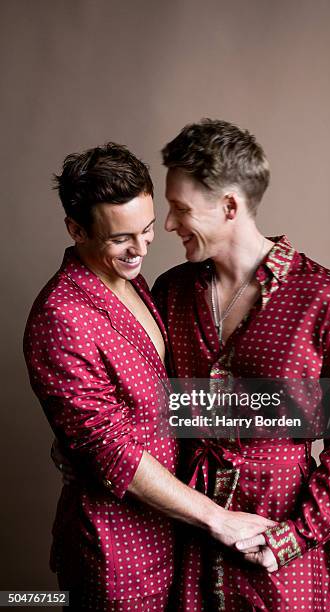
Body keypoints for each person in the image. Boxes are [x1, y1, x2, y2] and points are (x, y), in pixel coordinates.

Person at [23, 142, 274, 611]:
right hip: (115, 548)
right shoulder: (61, 317)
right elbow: (112, 453)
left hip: (174, 532)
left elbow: (163, 400)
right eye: (121, 238)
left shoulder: (133, 281)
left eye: (147, 228)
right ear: (76, 229)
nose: (140, 249)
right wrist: (218, 519)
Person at [151, 119, 330, 611]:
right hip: (189, 530)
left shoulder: (327, 299)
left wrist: (294, 537)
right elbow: (150, 402)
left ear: (230, 206)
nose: (168, 225)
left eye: (179, 209)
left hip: (281, 538)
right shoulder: (170, 292)